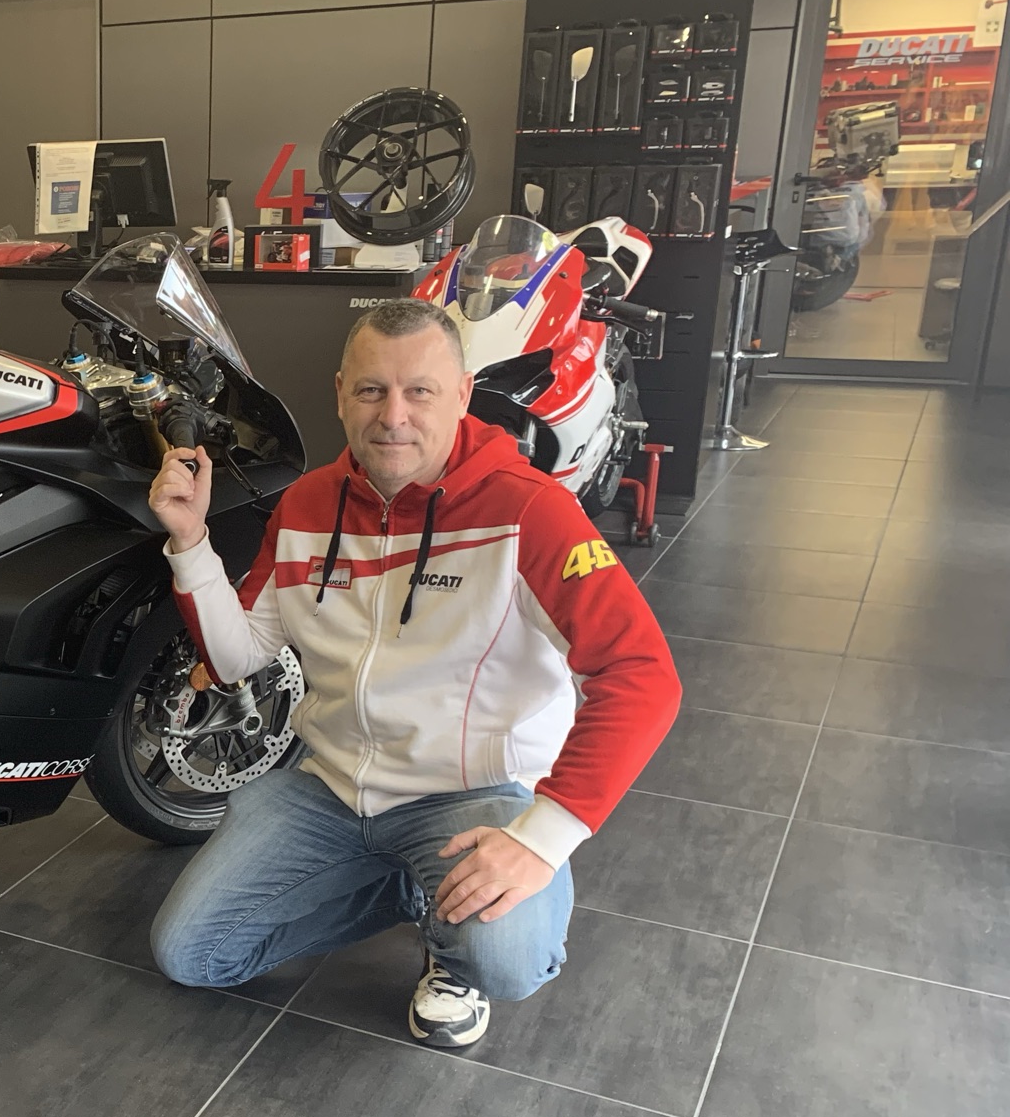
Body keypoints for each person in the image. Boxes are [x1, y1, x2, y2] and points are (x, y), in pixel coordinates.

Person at [147, 298, 679, 1047]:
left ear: (461, 395)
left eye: (419, 391)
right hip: (330, 790)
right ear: (340, 394)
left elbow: (641, 673)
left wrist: (541, 839)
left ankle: (453, 939)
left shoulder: (529, 511)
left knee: (506, 957)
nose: (393, 416)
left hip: (469, 797)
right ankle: (417, 892)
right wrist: (190, 541)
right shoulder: (305, 506)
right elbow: (237, 657)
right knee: (192, 954)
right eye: (371, 390)